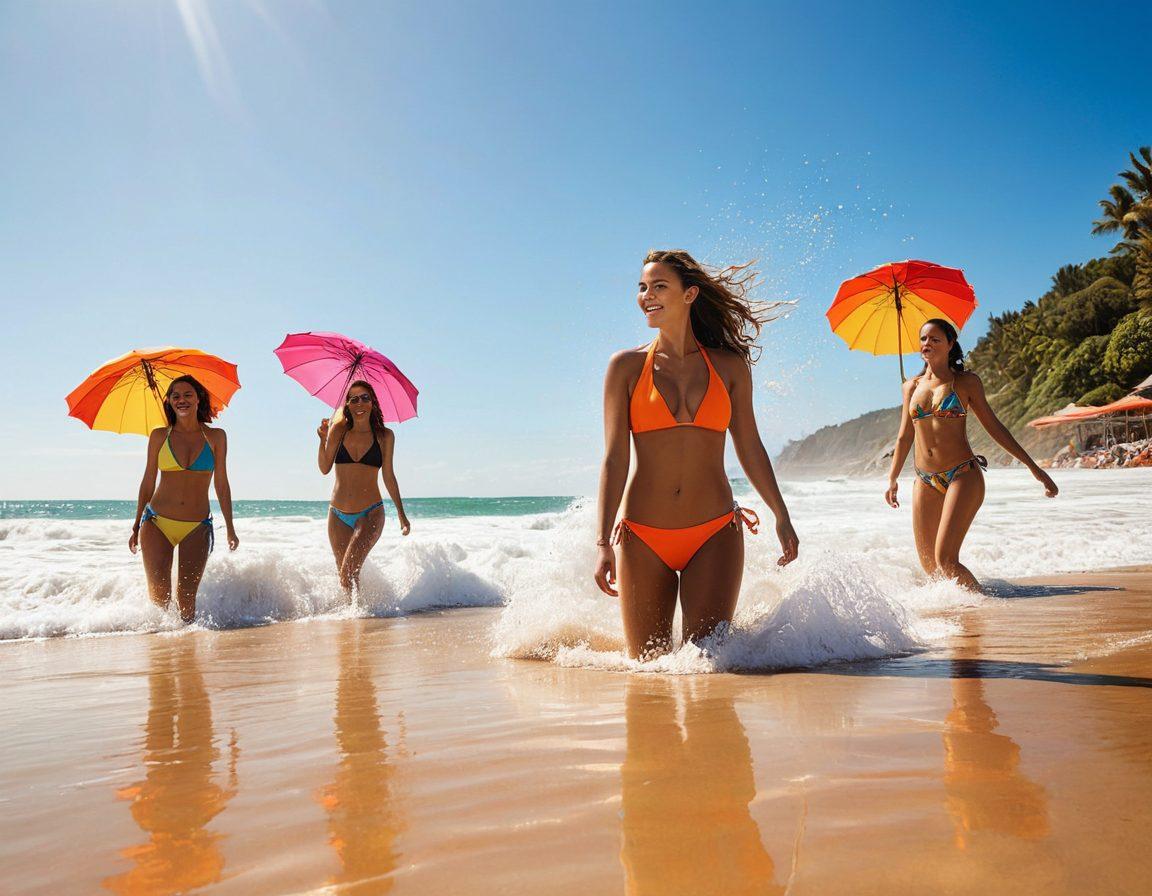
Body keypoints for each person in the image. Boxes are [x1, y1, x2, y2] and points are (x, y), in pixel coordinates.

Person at [594, 249, 798, 660]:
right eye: (642, 287)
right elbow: (615, 458)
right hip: (643, 537)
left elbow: (750, 446)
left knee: (708, 668)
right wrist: (602, 542)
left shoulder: (730, 367)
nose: (646, 295)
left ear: (689, 295)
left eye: (659, 286)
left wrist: (781, 514)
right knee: (648, 671)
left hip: (715, 532)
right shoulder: (626, 368)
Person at [885, 318, 1058, 591]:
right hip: (924, 479)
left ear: (950, 344)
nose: (926, 344)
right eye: (923, 339)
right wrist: (893, 478)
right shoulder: (910, 387)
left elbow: (994, 427)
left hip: (962, 475)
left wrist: (1034, 468)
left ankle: (984, 610)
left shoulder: (965, 382)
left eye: (934, 339)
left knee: (947, 560)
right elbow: (904, 436)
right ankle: (958, 617)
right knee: (931, 567)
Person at [130, 376, 239, 623]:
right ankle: (161, 655)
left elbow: (221, 484)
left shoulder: (216, 437)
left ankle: (185, 654)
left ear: (198, 399)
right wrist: (136, 524)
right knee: (160, 600)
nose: (182, 400)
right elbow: (148, 481)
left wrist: (230, 528)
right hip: (157, 523)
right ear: (169, 402)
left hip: (197, 526)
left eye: (188, 394)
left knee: (187, 601)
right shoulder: (159, 436)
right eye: (176, 396)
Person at [318, 380, 411, 598]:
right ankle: (357, 623)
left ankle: (358, 618)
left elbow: (388, 475)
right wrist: (323, 439)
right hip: (337, 514)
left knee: (347, 572)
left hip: (370, 513)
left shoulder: (385, 436)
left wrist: (401, 514)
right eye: (354, 399)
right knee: (346, 579)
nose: (360, 403)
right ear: (348, 404)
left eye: (365, 398)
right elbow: (324, 467)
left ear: (373, 403)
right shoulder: (338, 430)